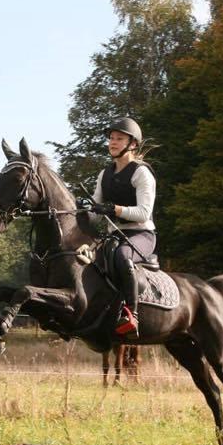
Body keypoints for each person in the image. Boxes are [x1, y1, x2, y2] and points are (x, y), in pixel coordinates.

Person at [85, 117, 156, 340]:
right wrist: (82, 209)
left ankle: (131, 315)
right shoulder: (104, 174)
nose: (112, 143)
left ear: (132, 144)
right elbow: (94, 216)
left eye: (119, 139)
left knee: (123, 256)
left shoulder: (141, 173)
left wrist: (113, 209)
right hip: (115, 235)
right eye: (111, 138)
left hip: (141, 234)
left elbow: (143, 212)